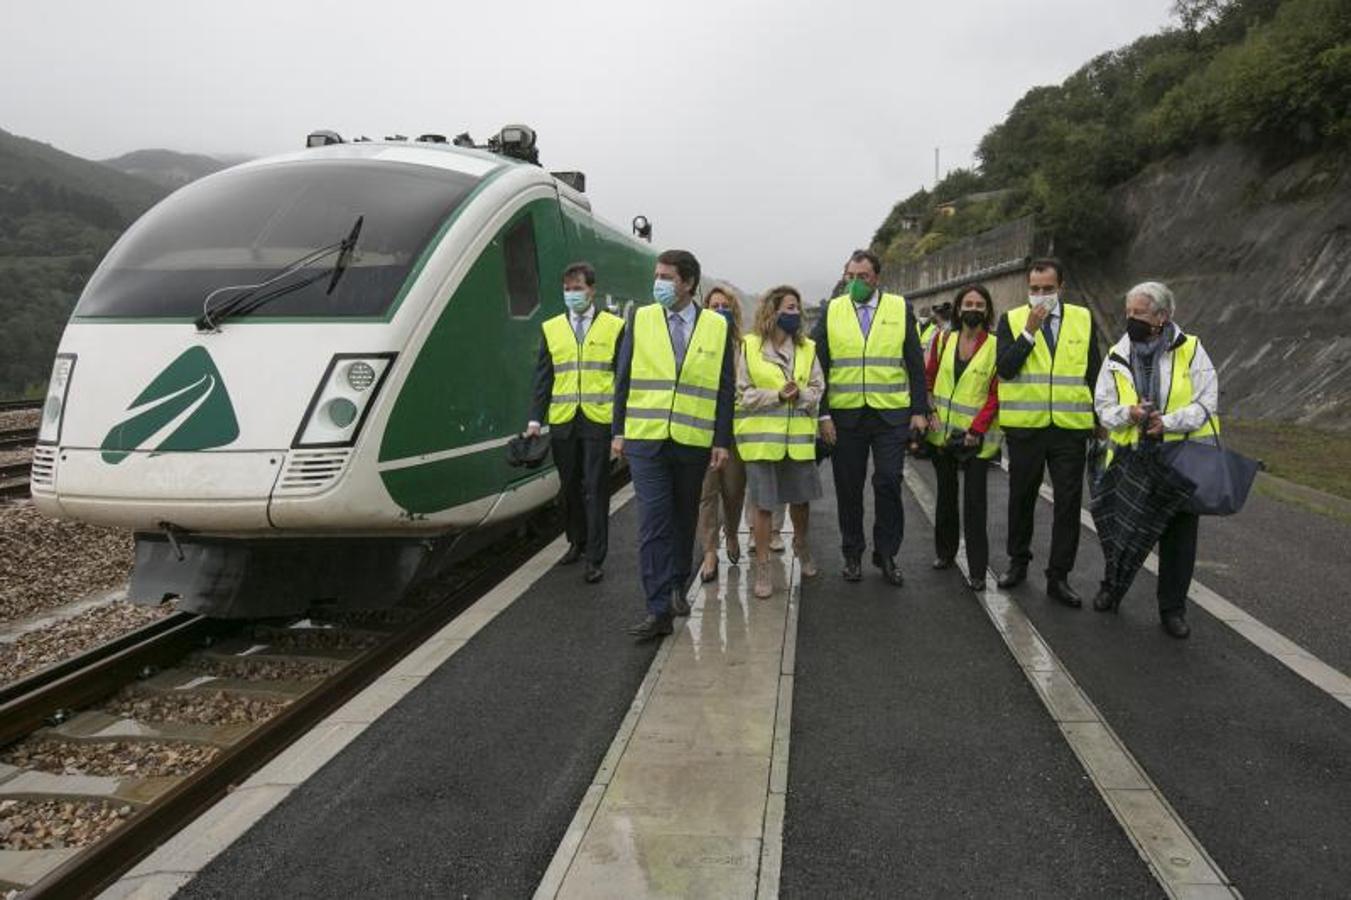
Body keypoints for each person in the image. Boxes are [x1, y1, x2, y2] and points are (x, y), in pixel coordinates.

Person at [612, 250, 735, 641]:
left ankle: (678, 582)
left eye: (666, 277)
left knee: (684, 519)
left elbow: (724, 387)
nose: (658, 283)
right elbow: (624, 377)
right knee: (653, 522)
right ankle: (657, 608)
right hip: (647, 439)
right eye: (657, 276)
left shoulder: (716, 325)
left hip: (693, 440)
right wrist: (619, 430)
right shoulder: (641, 318)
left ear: (688, 283)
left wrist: (721, 440)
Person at [1092, 281, 1218, 639]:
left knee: (1179, 539)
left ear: (1162, 316)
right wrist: (1129, 413)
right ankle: (1111, 589)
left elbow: (1207, 402)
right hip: (1130, 458)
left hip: (1179, 458)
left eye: (1139, 313)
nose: (1131, 319)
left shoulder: (1191, 350)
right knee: (1120, 531)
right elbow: (1102, 407)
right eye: (1128, 313)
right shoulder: (1116, 354)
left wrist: (1169, 422)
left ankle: (1172, 610)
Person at [812, 249, 930, 586]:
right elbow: (816, 365)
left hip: (889, 415)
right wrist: (822, 415)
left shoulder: (898, 308)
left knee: (889, 482)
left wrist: (919, 409)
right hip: (846, 417)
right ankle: (852, 554)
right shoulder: (832, 310)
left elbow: (914, 362)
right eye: (850, 276)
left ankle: (887, 553)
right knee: (848, 489)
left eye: (863, 277)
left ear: (876, 277)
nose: (856, 283)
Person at [995, 258, 1102, 606]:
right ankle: (1018, 563)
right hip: (1026, 429)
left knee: (1068, 504)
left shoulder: (1083, 319)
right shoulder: (1011, 320)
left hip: (1069, 430)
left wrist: (1099, 419)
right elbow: (1006, 370)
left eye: (1048, 289)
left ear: (1061, 288)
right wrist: (1029, 331)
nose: (1041, 296)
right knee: (1021, 498)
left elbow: (1095, 373)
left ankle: (1059, 576)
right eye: (1035, 289)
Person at [526, 261, 624, 583]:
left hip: (597, 420)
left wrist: (620, 427)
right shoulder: (551, 328)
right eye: (567, 289)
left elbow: (622, 379)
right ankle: (576, 542)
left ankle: (596, 557)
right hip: (563, 421)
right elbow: (544, 378)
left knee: (595, 488)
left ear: (592, 290)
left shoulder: (614, 326)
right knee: (568, 487)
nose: (572, 294)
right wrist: (534, 420)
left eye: (578, 288)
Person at [737, 285, 825, 598]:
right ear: (771, 312)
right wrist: (776, 395)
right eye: (789, 308)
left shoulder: (808, 348)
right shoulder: (749, 347)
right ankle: (763, 566)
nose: (795, 314)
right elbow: (742, 394)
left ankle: (801, 546)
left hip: (798, 442)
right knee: (764, 506)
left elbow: (818, 388)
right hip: (761, 442)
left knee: (800, 502)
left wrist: (800, 395)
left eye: (797, 308)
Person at [925, 284, 1001, 591]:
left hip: (976, 440)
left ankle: (978, 569)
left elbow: (997, 393)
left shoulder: (996, 345)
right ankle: (945, 553)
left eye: (979, 305)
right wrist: (929, 408)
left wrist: (977, 430)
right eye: (968, 303)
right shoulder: (943, 339)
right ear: (958, 309)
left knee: (975, 505)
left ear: (987, 311)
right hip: (941, 435)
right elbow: (928, 378)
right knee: (945, 498)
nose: (973, 309)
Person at [696, 286, 747, 582]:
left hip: (736, 431)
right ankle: (710, 551)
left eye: (724, 306)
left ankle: (732, 533)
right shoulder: (699, 343)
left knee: (733, 491)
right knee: (706, 493)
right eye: (713, 306)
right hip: (704, 427)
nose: (719, 311)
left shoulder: (744, 346)